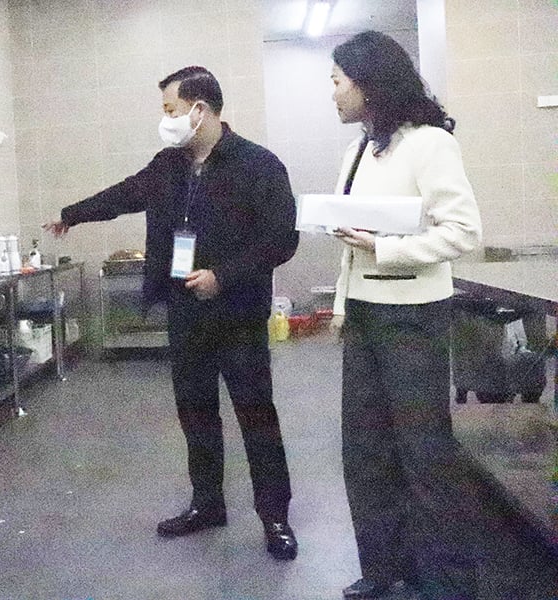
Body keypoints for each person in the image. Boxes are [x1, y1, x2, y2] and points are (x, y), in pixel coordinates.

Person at [44, 66, 300, 560]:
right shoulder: (168, 165)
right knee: (196, 412)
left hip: (238, 313)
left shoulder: (259, 165)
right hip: (186, 311)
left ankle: (275, 517)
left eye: (171, 110)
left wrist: (222, 276)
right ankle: (207, 505)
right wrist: (71, 214)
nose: (166, 120)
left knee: (255, 414)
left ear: (199, 109)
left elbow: (281, 240)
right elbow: (124, 194)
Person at [326, 31, 483, 599]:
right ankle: (382, 568)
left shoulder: (430, 144)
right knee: (364, 451)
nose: (333, 92)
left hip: (414, 316)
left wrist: (385, 248)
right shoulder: (358, 150)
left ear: (368, 85)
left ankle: (441, 578)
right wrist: (343, 305)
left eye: (339, 81)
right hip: (367, 315)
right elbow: (350, 242)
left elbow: (463, 231)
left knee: (423, 453)